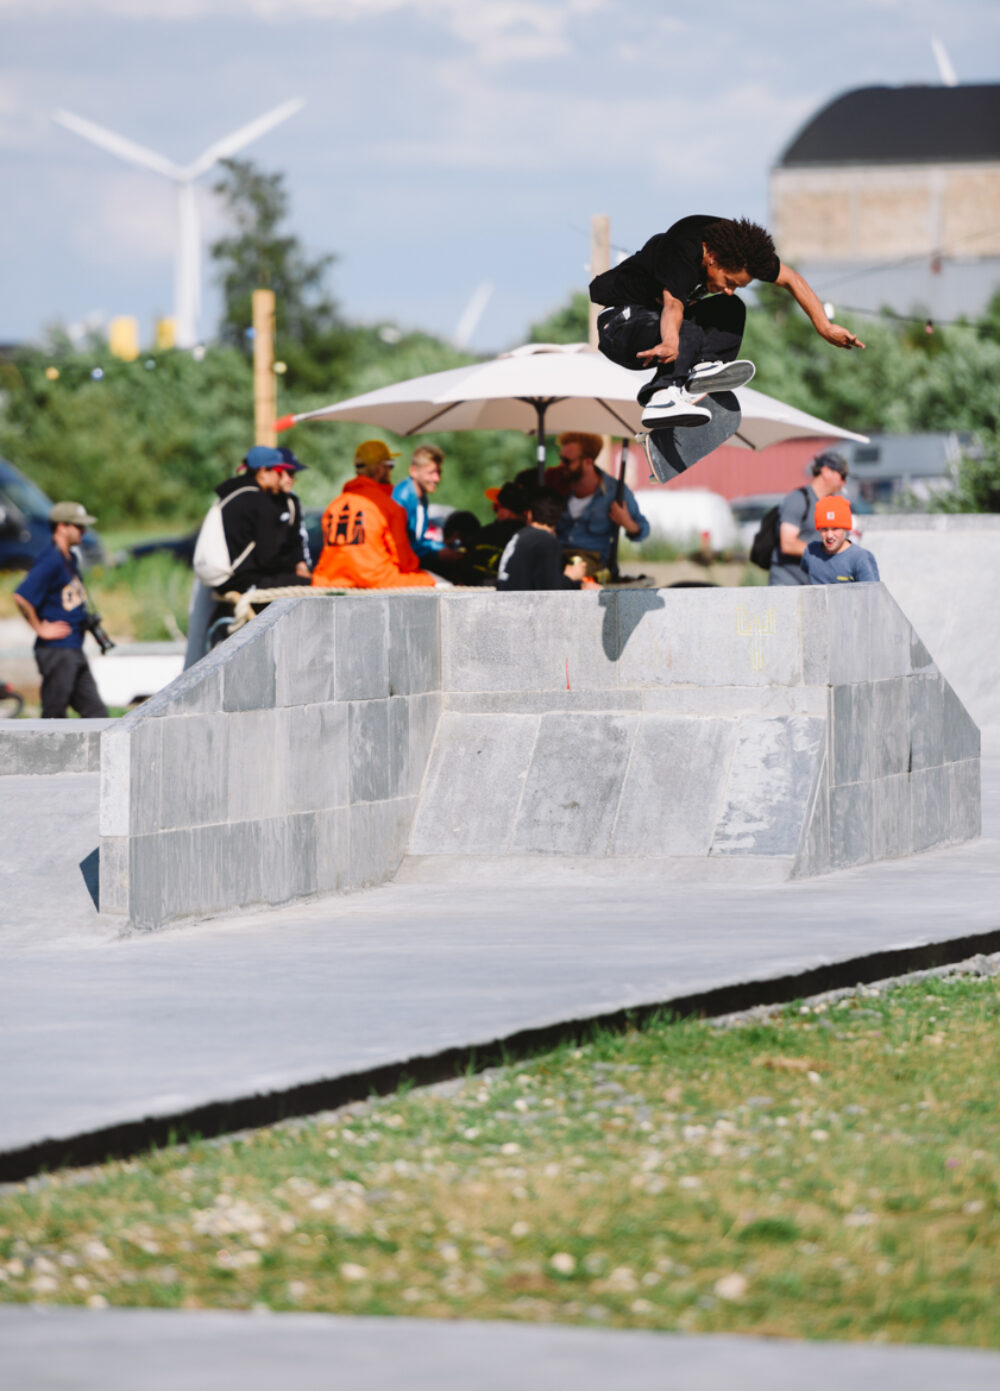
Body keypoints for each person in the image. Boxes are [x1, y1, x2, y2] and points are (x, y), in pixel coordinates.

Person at [590, 215, 865, 430]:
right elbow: (673, 304)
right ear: (712, 257)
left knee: (731, 308)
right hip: (619, 324)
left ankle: (702, 367)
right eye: (729, 281)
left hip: (659, 324)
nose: (729, 288)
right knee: (686, 328)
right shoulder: (683, 249)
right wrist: (671, 341)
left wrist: (824, 327)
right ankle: (661, 395)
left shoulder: (742, 251)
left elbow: (791, 279)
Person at [13, 501, 109, 719]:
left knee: (98, 715)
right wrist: (40, 628)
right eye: (79, 526)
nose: (83, 531)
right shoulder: (51, 560)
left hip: (73, 648)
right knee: (54, 715)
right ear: (62, 527)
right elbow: (21, 596)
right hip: (57, 651)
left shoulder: (70, 558)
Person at [311, 439, 436, 589]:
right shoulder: (388, 507)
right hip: (376, 582)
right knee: (433, 581)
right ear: (380, 469)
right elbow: (406, 562)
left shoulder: (333, 506)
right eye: (390, 466)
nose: (391, 471)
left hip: (329, 582)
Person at [216, 445, 313, 594]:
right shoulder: (259, 502)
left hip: (222, 577)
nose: (282, 477)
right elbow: (267, 558)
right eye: (280, 472)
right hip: (244, 580)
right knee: (310, 584)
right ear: (263, 472)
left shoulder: (231, 493)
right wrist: (292, 569)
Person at [546, 431, 649, 566]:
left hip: (594, 561)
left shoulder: (615, 491)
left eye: (567, 461)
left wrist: (627, 522)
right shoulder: (555, 483)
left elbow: (644, 529)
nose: (561, 465)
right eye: (561, 458)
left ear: (588, 461)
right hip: (557, 557)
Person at [770, 449, 852, 587]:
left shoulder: (832, 504)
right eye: (842, 476)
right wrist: (825, 551)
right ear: (826, 472)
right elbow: (788, 543)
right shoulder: (798, 499)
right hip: (787, 583)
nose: (844, 482)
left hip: (813, 584)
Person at [392, 444, 463, 577]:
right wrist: (438, 552)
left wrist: (443, 548)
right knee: (445, 587)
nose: (437, 479)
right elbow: (399, 547)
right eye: (431, 473)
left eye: (439, 472)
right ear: (413, 471)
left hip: (410, 564)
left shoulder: (421, 497)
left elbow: (418, 542)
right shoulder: (401, 499)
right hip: (398, 570)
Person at [496, 489, 587, 591]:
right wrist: (571, 576)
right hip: (523, 604)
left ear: (530, 514)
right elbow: (551, 592)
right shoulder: (545, 541)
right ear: (559, 516)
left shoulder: (522, 535)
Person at [801, 495, 880, 584]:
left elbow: (872, 594)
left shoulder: (860, 558)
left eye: (835, 529)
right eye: (824, 529)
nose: (829, 535)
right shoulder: (811, 552)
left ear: (846, 528)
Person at [273, 446, 312, 579]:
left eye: (293, 474)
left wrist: (302, 564)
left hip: (288, 574)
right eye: (288, 473)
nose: (292, 479)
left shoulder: (292, 501)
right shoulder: (257, 500)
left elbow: (298, 539)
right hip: (265, 576)